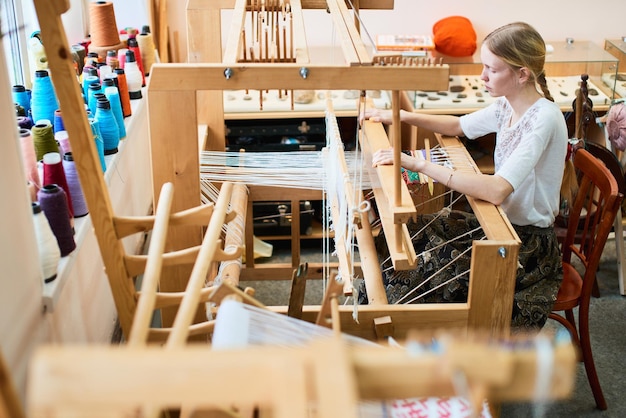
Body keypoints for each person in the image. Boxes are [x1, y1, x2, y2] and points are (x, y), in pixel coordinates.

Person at [360, 22, 568, 332]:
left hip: (527, 247)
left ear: (522, 74)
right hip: (499, 226)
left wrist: (417, 164)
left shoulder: (544, 119)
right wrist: (400, 116)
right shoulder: (507, 106)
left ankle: (388, 340)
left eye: (491, 69)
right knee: (409, 235)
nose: (482, 76)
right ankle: (374, 322)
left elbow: (497, 190)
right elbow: (459, 126)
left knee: (414, 275)